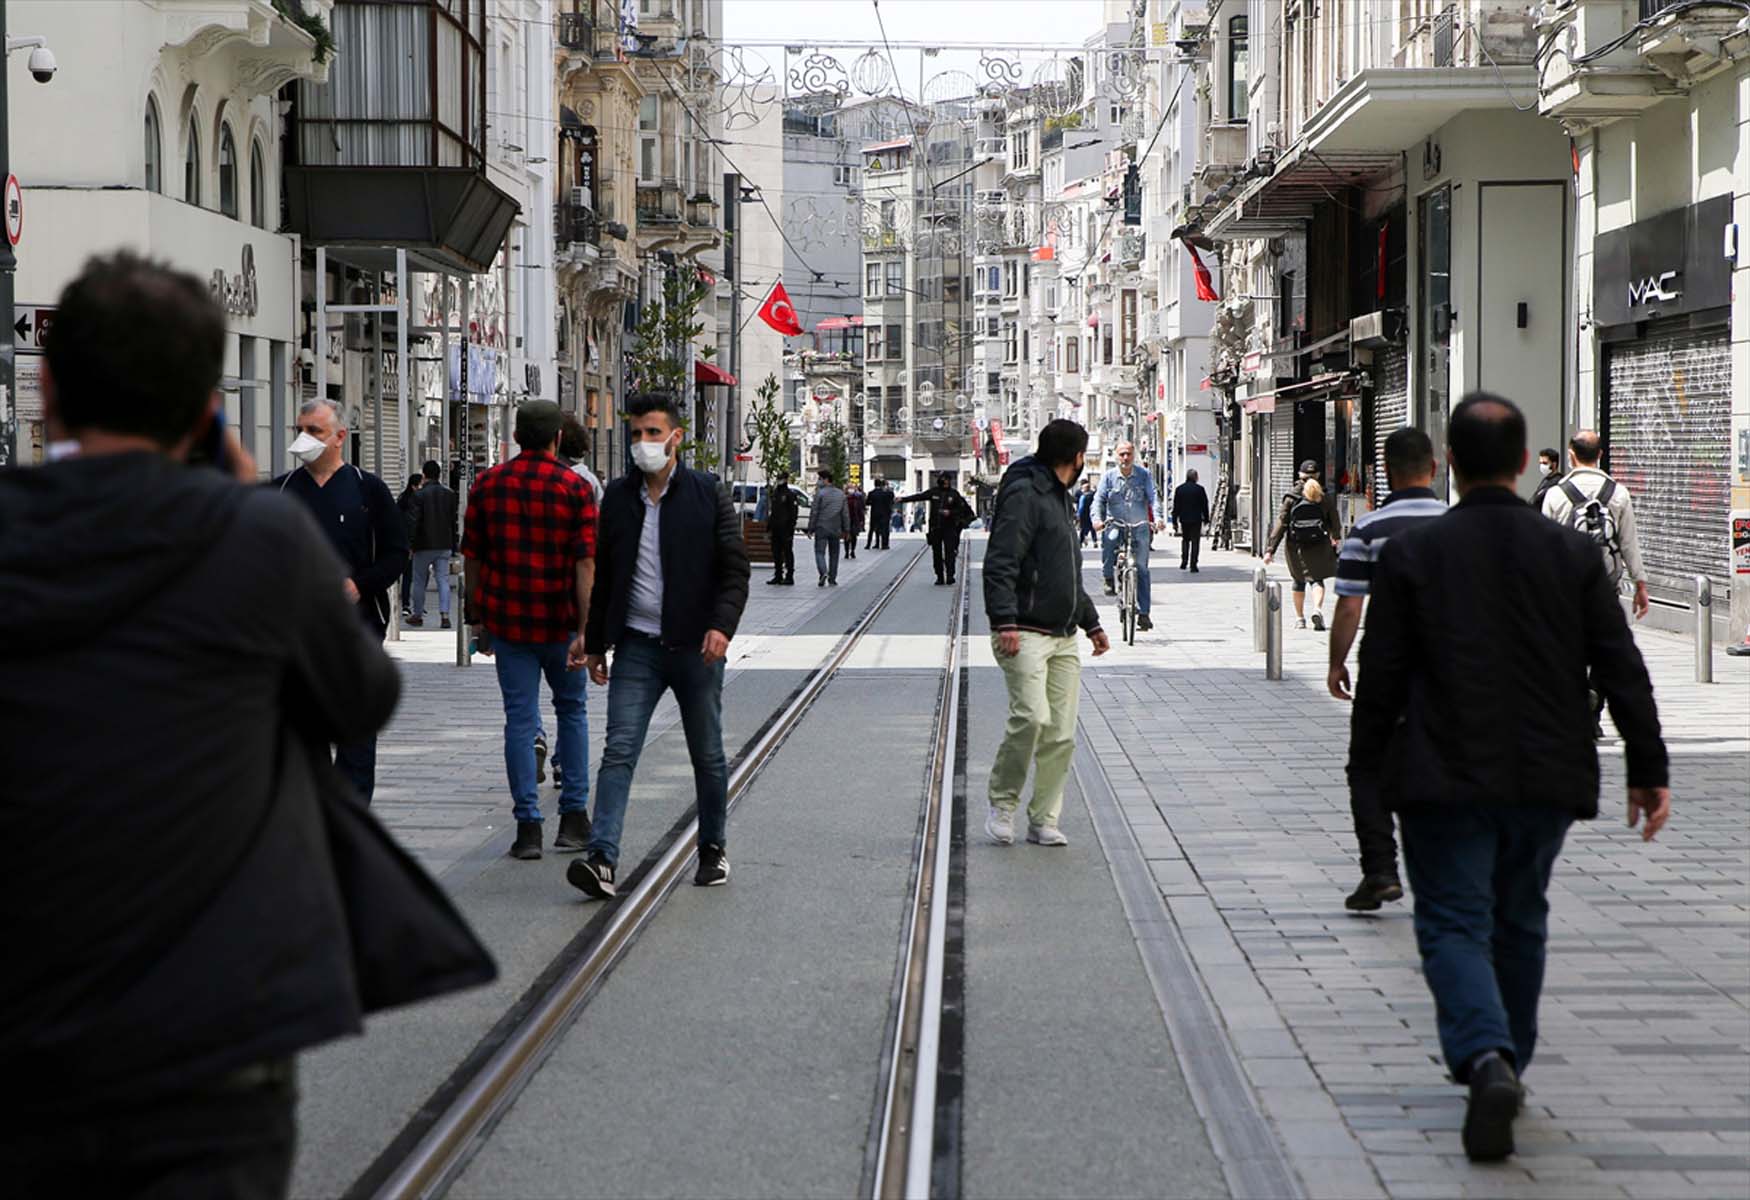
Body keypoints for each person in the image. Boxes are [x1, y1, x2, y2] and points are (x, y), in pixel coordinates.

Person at [0, 252, 491, 1195]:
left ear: (49, 386)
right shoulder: (256, 533)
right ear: (206, 407)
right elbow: (362, 699)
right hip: (209, 1035)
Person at [1349, 391, 1669, 1164]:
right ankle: (1508, 1063)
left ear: (1450, 464)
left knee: (1454, 921)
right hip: (1543, 776)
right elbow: (1617, 662)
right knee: (1520, 916)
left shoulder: (1413, 557)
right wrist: (1647, 766)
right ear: (1526, 462)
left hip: (1440, 773)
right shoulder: (1568, 555)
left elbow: (1381, 675)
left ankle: (1486, 1056)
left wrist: (1366, 769)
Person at [569, 392, 751, 899]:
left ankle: (712, 849)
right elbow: (606, 577)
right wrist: (595, 642)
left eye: (652, 432)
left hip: (695, 647)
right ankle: (602, 858)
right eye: (635, 433)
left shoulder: (706, 493)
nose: (642, 443)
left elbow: (735, 572)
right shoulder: (620, 500)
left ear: (676, 437)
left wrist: (722, 626)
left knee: (708, 755)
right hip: (638, 647)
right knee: (620, 750)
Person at [463, 401, 599, 860]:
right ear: (558, 438)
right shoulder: (574, 488)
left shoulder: (486, 486)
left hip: (510, 625)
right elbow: (585, 562)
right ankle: (574, 818)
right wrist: (587, 628)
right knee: (573, 712)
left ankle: (528, 828)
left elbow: (473, 559)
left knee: (520, 720)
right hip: (561, 625)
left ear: (517, 435)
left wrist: (477, 617)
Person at [1327, 427, 1448, 912]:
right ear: (1434, 468)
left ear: (1387, 474)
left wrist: (1336, 663)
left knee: (1367, 768)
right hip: (1450, 668)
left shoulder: (1368, 530)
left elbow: (1350, 607)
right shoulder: (1456, 524)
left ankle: (1380, 870)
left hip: (1386, 667)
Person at [275, 397, 409, 804]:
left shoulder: (368, 489)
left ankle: (351, 810)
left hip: (358, 626)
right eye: (300, 429)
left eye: (314, 431)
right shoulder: (281, 491)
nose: (304, 438)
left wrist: (360, 585)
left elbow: (396, 553)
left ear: (339, 438)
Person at [983, 419, 1110, 847]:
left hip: (1062, 633)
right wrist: (1004, 620)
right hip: (1023, 629)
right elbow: (1001, 559)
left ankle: (1044, 819)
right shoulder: (1026, 493)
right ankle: (1003, 804)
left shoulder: (1060, 497)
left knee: (1061, 732)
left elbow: (1066, 569)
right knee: (1031, 717)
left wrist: (1090, 622)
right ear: (1076, 457)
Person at [1540, 430, 1649, 622]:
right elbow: (1628, 543)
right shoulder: (1618, 493)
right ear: (1599, 455)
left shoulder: (1556, 494)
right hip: (1606, 590)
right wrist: (1640, 585)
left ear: (1571, 454)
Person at [1092, 441, 1162, 630]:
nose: (1125, 458)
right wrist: (1097, 520)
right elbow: (1098, 500)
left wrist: (1159, 518)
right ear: (1116, 456)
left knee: (1142, 569)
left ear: (1134, 455)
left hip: (1139, 525)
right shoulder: (1108, 477)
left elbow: (1154, 497)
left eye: (1129, 454)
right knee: (1111, 539)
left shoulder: (1144, 476)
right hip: (1116, 522)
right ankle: (1108, 576)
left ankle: (1144, 613)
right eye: (1122, 454)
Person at [1265, 466, 1340, 631]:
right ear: (1317, 475)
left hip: (1295, 546)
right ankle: (1317, 609)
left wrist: (1270, 549)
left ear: (1300, 475)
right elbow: (1334, 519)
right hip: (1319, 544)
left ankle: (1300, 619)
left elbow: (1281, 524)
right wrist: (1336, 537)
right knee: (1316, 579)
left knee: (1298, 581)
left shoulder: (1291, 497)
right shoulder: (1323, 496)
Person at [407, 460, 458, 629]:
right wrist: (453, 544)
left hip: (423, 544)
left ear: (424, 475)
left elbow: (413, 521)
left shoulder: (418, 495)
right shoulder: (450, 494)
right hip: (444, 543)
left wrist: (411, 544)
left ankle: (418, 614)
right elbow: (452, 520)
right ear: (439, 474)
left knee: (419, 580)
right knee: (442, 579)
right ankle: (445, 615)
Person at [898, 472, 976, 584]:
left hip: (950, 527)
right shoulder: (934, 492)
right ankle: (939, 576)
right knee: (937, 553)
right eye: (944, 481)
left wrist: (950, 512)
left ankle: (950, 575)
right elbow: (920, 496)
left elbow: (962, 510)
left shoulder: (954, 494)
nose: (946, 483)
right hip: (935, 527)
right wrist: (903, 499)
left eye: (948, 481)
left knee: (950, 552)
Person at [806, 468, 848, 586]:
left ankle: (823, 572)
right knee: (834, 554)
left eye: (820, 479)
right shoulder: (841, 494)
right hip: (836, 529)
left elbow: (814, 512)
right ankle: (832, 578)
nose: (818, 481)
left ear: (825, 480)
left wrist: (811, 528)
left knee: (820, 552)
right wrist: (847, 529)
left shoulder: (820, 493)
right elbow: (845, 514)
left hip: (822, 527)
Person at [1172, 468, 1211, 572]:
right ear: (1195, 477)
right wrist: (1207, 518)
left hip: (1184, 519)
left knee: (1185, 540)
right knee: (1195, 541)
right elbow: (1204, 505)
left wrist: (1174, 521)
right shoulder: (1199, 489)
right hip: (1196, 519)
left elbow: (1176, 506)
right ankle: (1193, 564)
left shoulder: (1180, 489)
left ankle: (1184, 562)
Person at [765, 472, 801, 585]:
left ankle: (789, 576)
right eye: (778, 478)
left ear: (786, 479)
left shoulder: (790, 494)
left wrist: (791, 527)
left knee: (787, 552)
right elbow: (773, 512)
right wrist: (769, 526)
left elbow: (793, 513)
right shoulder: (775, 493)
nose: (779, 480)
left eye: (781, 479)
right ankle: (778, 575)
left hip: (786, 529)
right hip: (776, 528)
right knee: (776, 552)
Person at [399, 473, 423, 614]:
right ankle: (408, 605)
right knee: (412, 575)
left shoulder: (403, 498)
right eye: (420, 485)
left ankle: (407, 604)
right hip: (411, 542)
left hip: (405, 541)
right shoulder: (414, 501)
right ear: (414, 486)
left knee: (408, 575)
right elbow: (412, 524)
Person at [1530, 445, 1564, 513]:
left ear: (1554, 464)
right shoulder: (1546, 480)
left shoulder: (1559, 482)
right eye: (1540, 463)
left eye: (1545, 463)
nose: (1542, 466)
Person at [866, 476, 894, 549]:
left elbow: (867, 502)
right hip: (883, 514)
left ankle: (869, 544)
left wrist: (872, 503)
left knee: (872, 529)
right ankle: (884, 544)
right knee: (883, 529)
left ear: (874, 484)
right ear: (881, 485)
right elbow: (891, 498)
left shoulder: (871, 493)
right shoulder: (885, 493)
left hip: (874, 513)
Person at [844, 480, 866, 560]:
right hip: (846, 520)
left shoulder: (858, 498)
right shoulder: (844, 498)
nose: (851, 490)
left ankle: (852, 551)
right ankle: (846, 552)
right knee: (846, 536)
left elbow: (860, 510)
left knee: (854, 536)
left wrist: (861, 520)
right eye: (849, 488)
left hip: (855, 520)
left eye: (852, 488)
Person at [1076, 477, 1096, 546]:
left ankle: (1081, 542)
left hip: (1083, 515)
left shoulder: (1083, 496)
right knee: (1092, 528)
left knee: (1083, 528)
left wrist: (1078, 514)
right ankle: (1094, 541)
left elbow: (1081, 507)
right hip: (1091, 514)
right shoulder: (1093, 494)